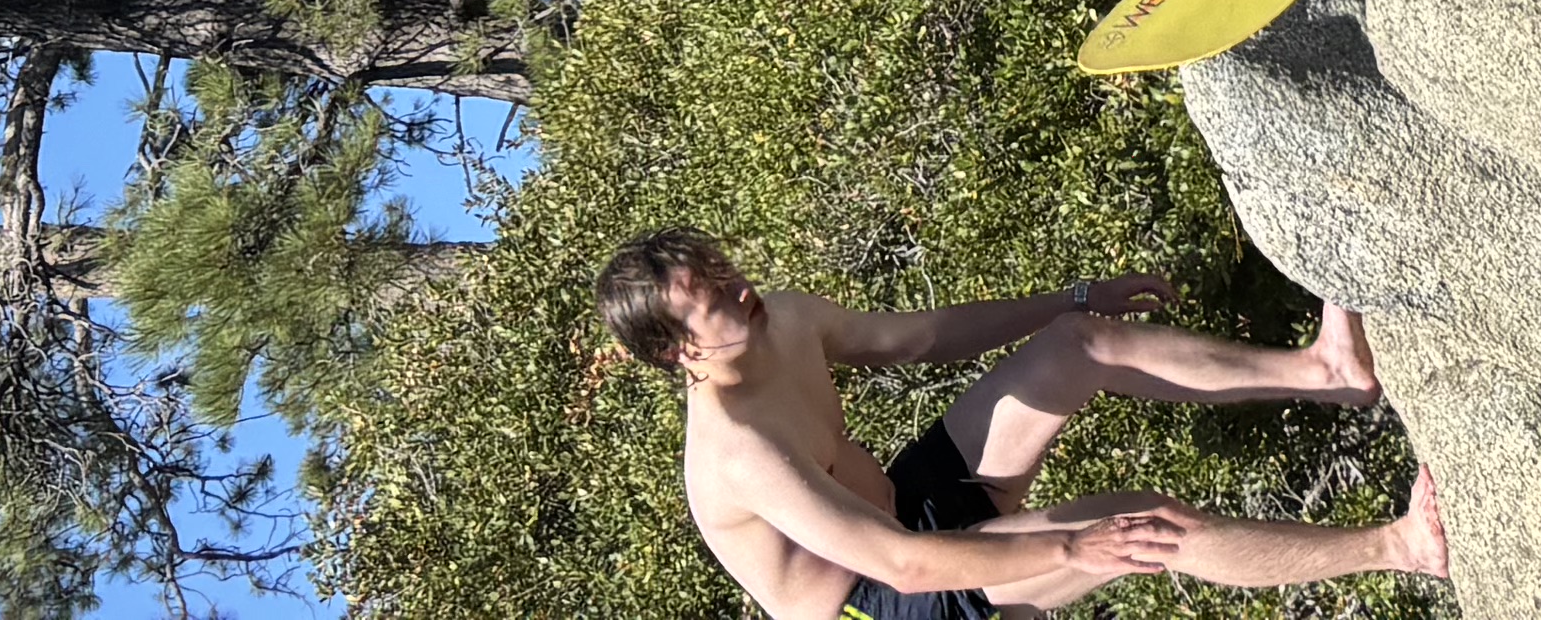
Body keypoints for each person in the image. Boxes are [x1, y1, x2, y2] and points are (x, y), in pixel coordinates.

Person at [600, 233, 1442, 619]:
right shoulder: (738, 452)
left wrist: (1071, 299)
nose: (736, 286)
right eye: (711, 296)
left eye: (720, 267)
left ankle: (1329, 374)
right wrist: (1075, 549)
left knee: (1081, 345)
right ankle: (1403, 549)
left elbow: (922, 339)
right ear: (679, 350)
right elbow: (899, 564)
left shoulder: (779, 320)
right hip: (885, 598)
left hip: (910, 504)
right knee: (1144, 529)